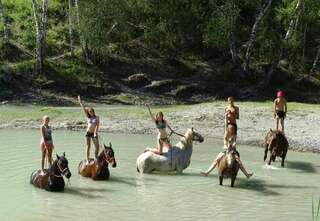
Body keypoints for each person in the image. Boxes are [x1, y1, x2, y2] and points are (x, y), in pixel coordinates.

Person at [78, 95, 100, 164]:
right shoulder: (88, 117)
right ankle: (87, 160)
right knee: (88, 146)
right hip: (88, 133)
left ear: (93, 111)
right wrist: (80, 102)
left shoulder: (97, 117)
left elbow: (97, 125)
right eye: (90, 112)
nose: (91, 112)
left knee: (97, 146)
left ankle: (95, 157)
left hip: (94, 133)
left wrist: (95, 133)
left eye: (92, 111)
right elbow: (83, 109)